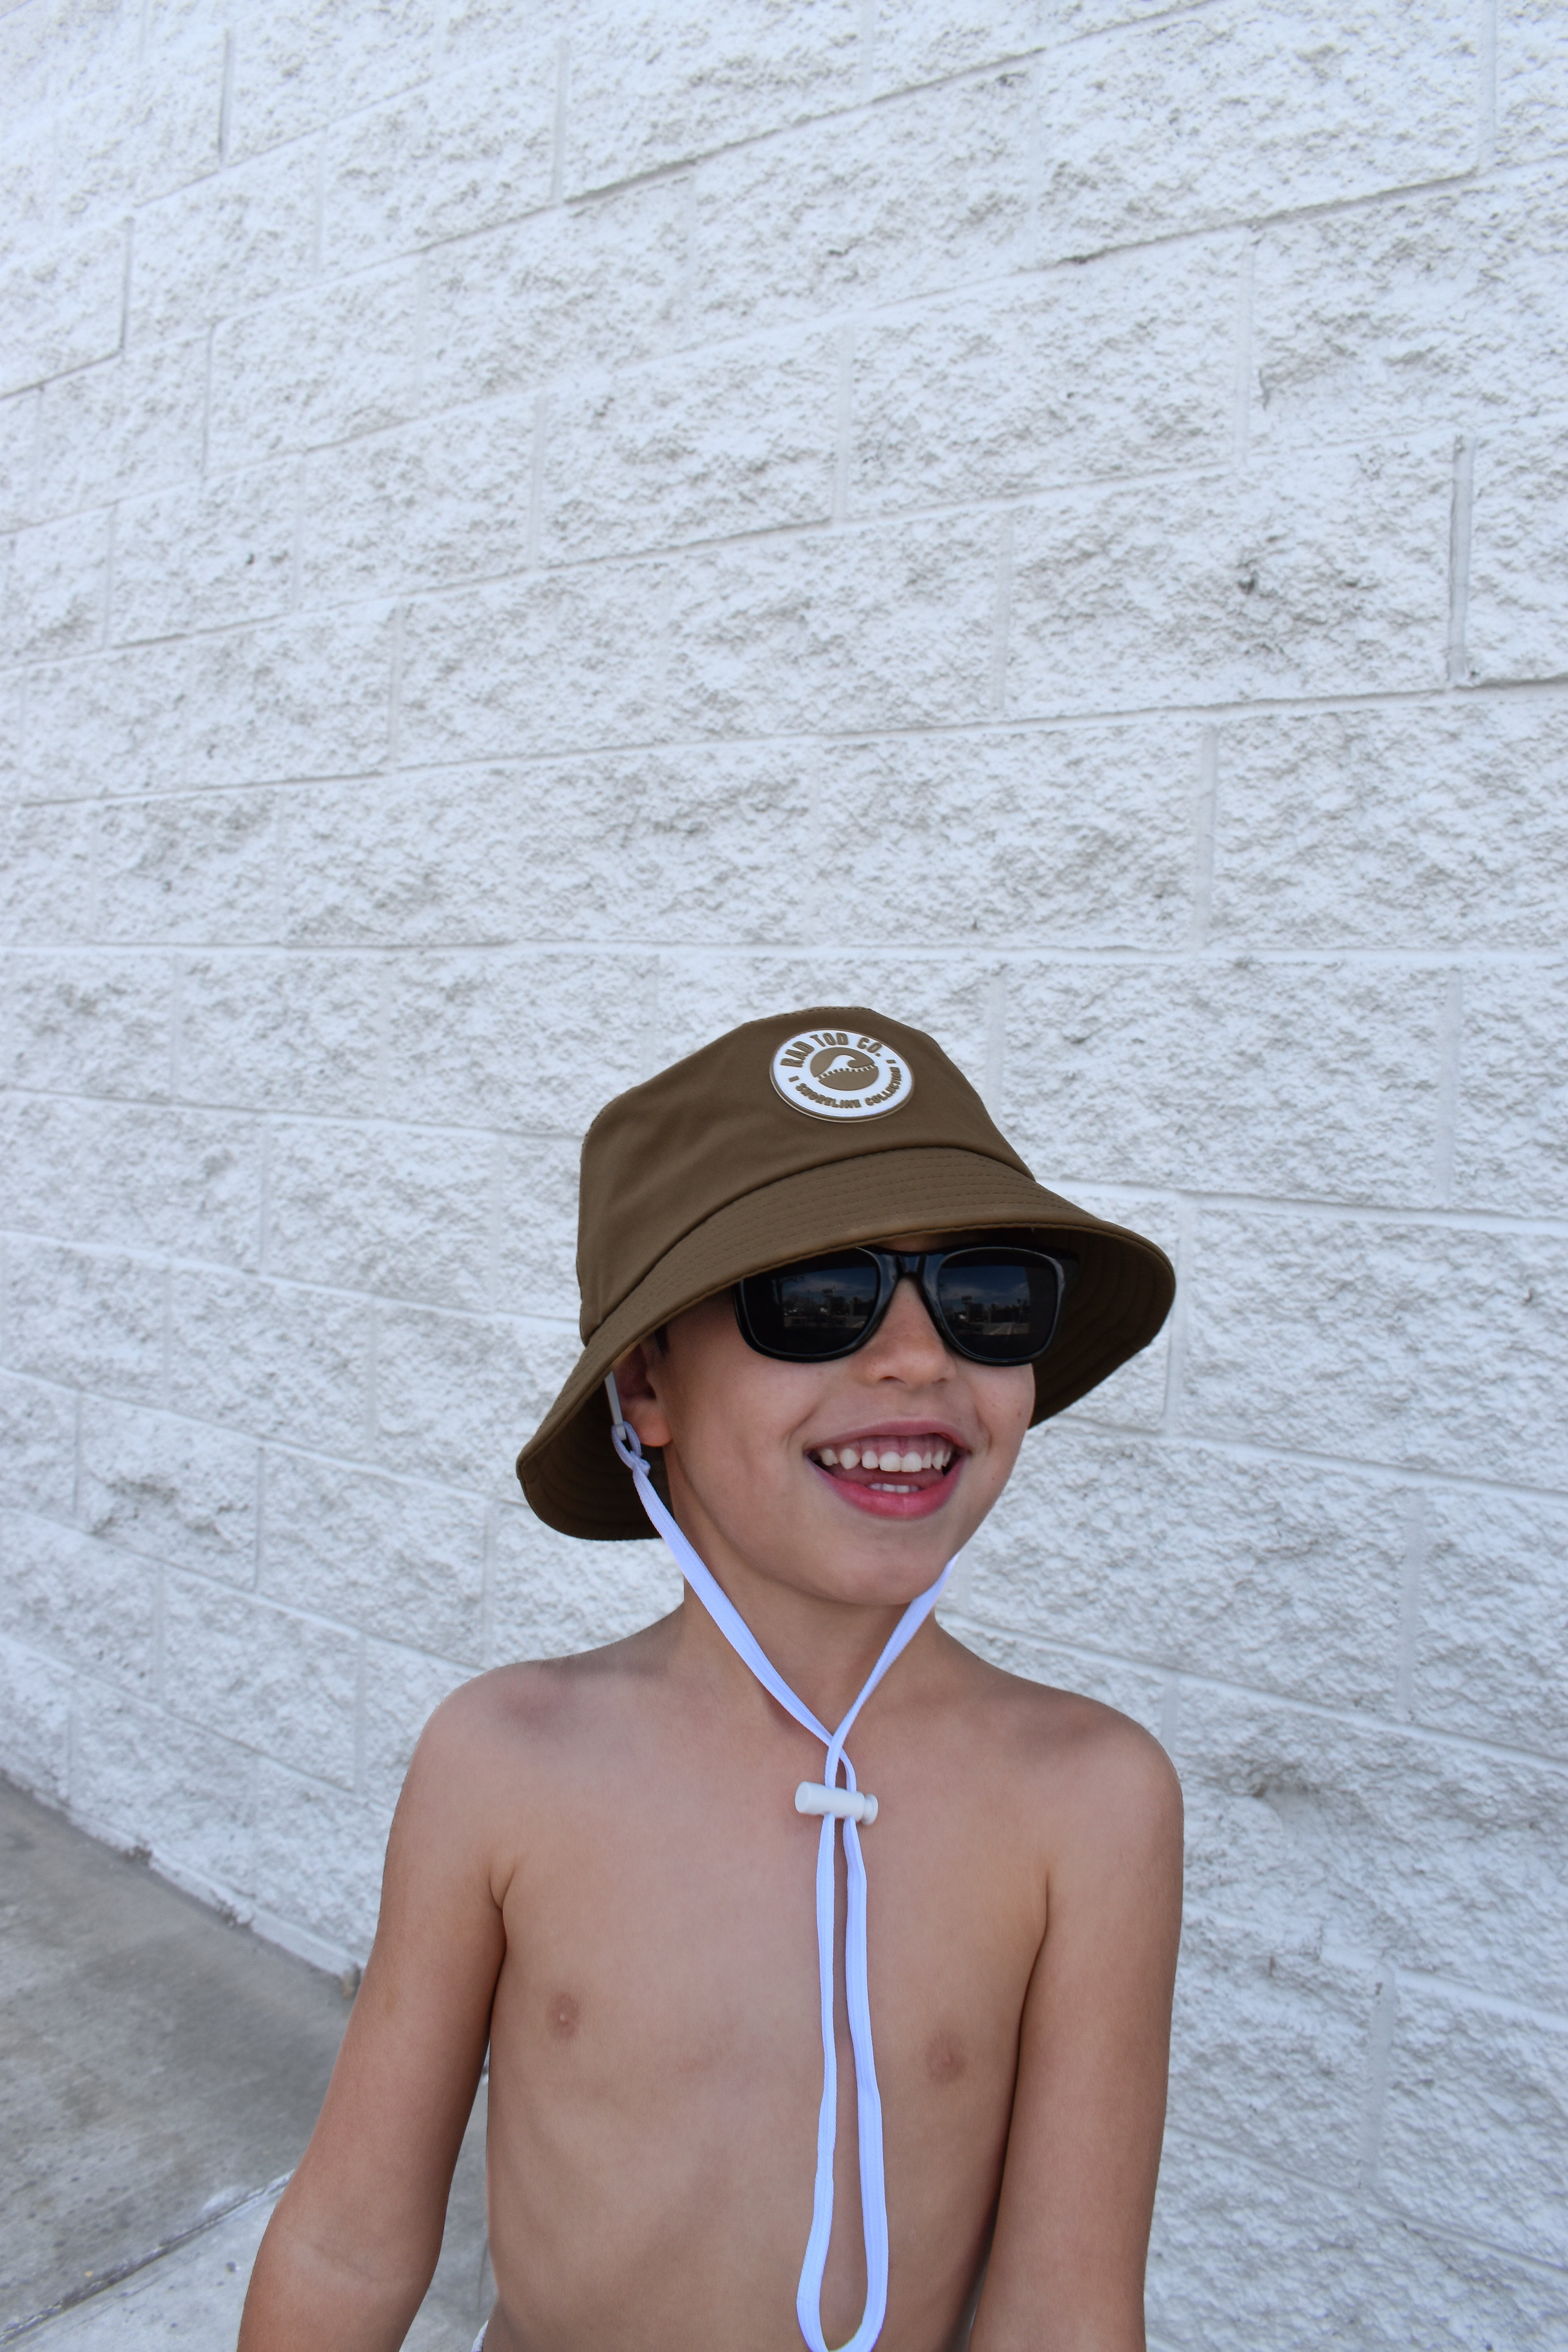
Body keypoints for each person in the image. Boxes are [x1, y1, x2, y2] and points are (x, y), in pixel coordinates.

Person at [239, 1007, 1183, 2352]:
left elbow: (1067, 2313)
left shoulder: (1091, 1804)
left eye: (985, 1298)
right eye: (814, 1299)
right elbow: (347, 2241)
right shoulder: (503, 1761)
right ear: (645, 1386)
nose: (918, 1356)